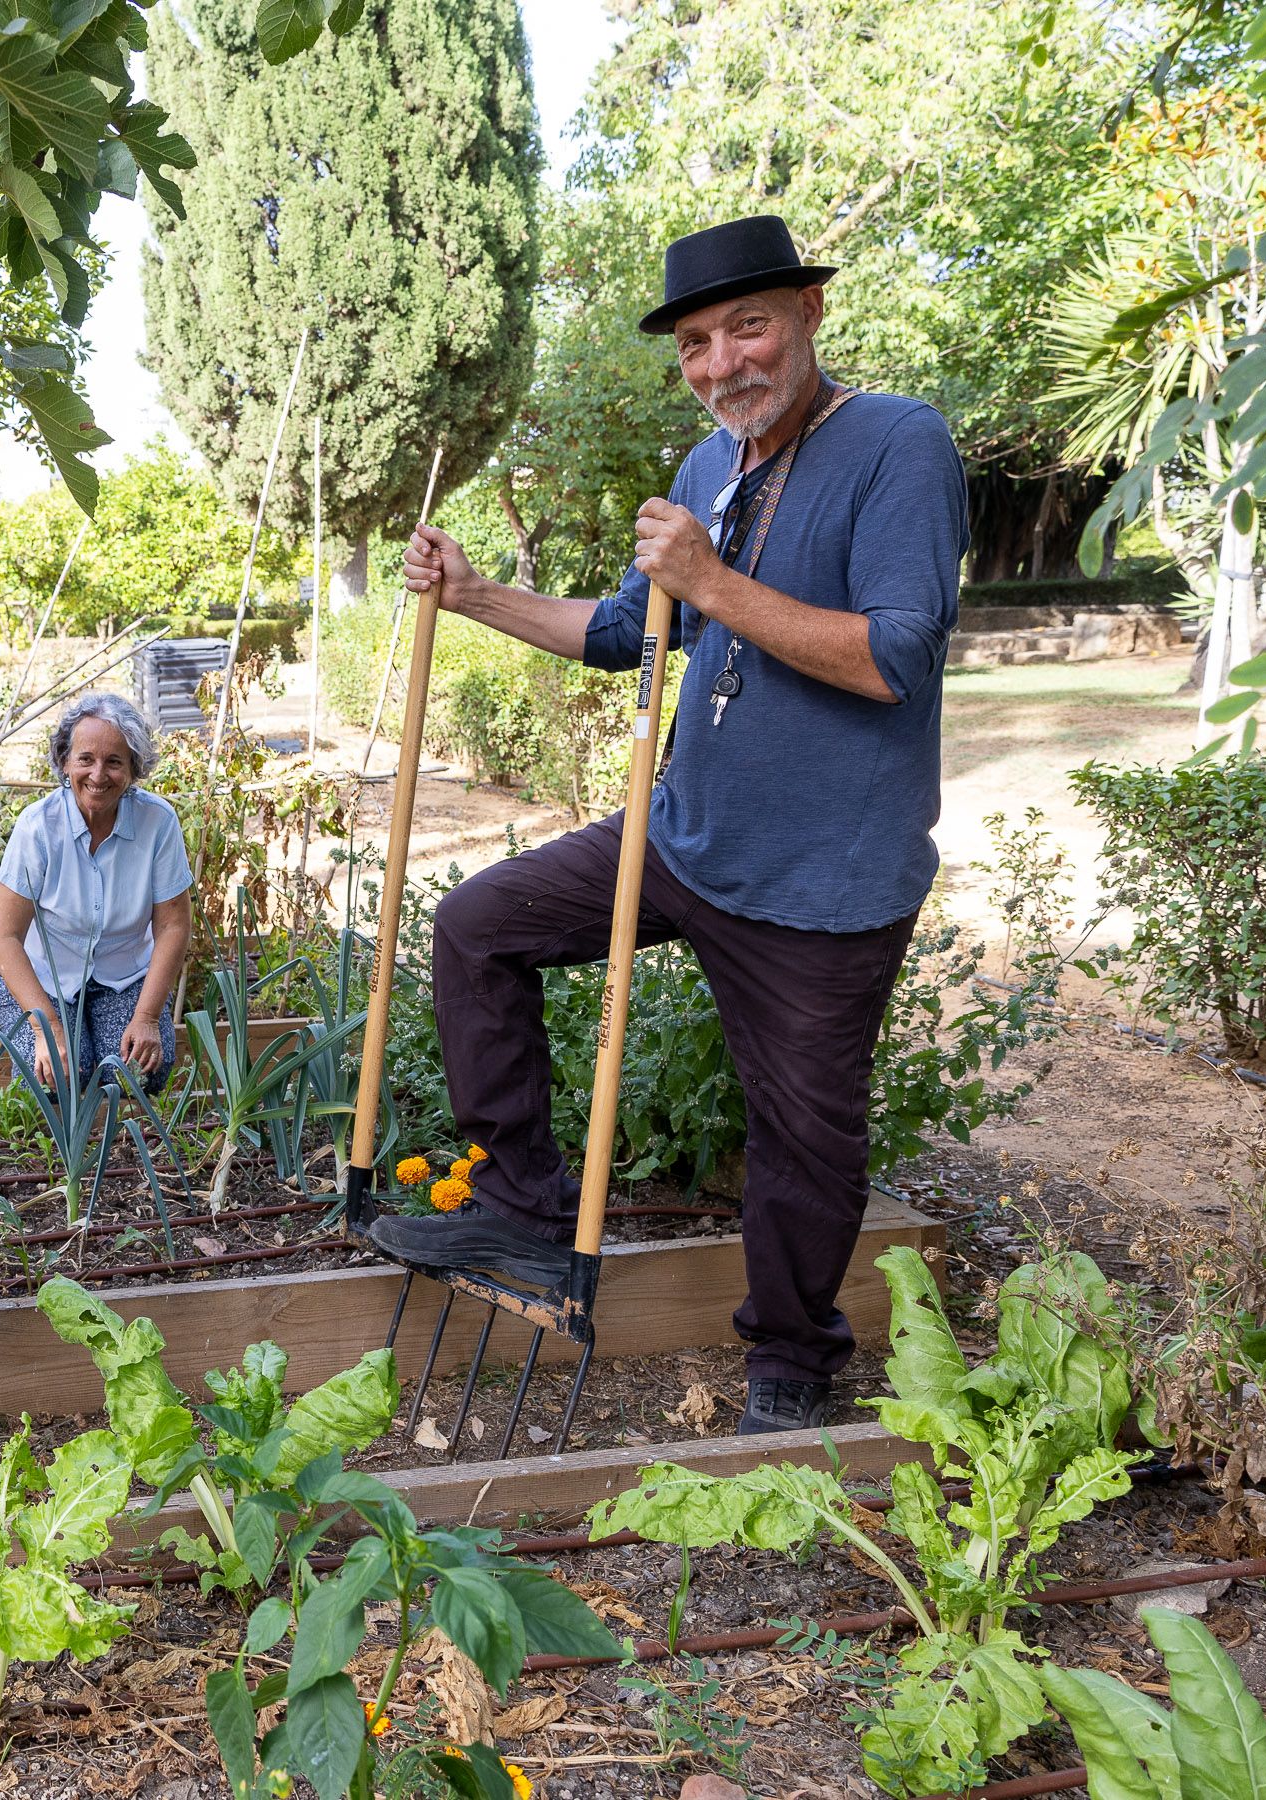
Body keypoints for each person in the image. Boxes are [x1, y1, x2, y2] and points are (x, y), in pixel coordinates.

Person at [368, 214, 967, 1438]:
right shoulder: (710, 468)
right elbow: (623, 634)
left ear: (809, 312)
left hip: (823, 879)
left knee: (803, 1136)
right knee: (479, 928)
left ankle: (793, 1362)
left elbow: (895, 657)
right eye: (696, 341)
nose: (722, 363)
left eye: (747, 326)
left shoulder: (901, 444)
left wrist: (711, 585)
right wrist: (473, 592)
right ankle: (527, 1206)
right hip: (680, 838)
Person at [0, 691, 195, 1092]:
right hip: (43, 974)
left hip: (123, 974)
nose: (98, 775)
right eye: (85, 759)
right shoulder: (39, 827)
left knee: (138, 1069)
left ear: (134, 768)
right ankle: (47, 1152)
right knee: (52, 1075)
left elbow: (172, 926)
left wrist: (147, 1016)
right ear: (66, 762)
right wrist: (46, 1028)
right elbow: (4, 933)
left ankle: (122, 1147)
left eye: (114, 762)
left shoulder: (158, 823)